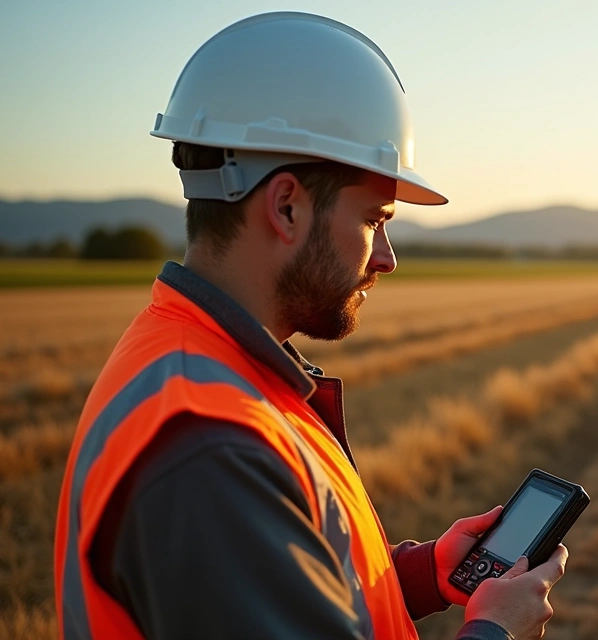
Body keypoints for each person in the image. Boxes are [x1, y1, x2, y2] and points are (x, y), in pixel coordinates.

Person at [53, 12, 566, 640]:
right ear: (287, 206)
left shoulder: (204, 366)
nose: (386, 258)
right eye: (374, 219)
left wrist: (422, 576)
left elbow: (287, 597)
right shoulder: (211, 456)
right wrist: (495, 631)